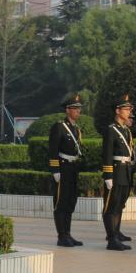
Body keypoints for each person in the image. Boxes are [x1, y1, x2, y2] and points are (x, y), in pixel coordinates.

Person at [47, 94, 85, 247]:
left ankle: (68, 234)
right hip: (62, 168)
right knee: (61, 203)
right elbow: (52, 150)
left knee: (70, 202)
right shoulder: (59, 127)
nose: (78, 111)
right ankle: (61, 236)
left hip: (73, 169)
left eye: (79, 109)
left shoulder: (76, 129)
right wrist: (55, 169)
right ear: (67, 110)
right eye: (75, 108)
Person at [100, 95, 135, 251]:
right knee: (111, 205)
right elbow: (107, 153)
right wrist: (108, 175)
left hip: (125, 171)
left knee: (119, 204)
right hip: (115, 171)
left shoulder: (125, 130)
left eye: (129, 109)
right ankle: (111, 238)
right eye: (126, 109)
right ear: (117, 111)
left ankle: (116, 234)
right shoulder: (111, 130)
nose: (129, 112)